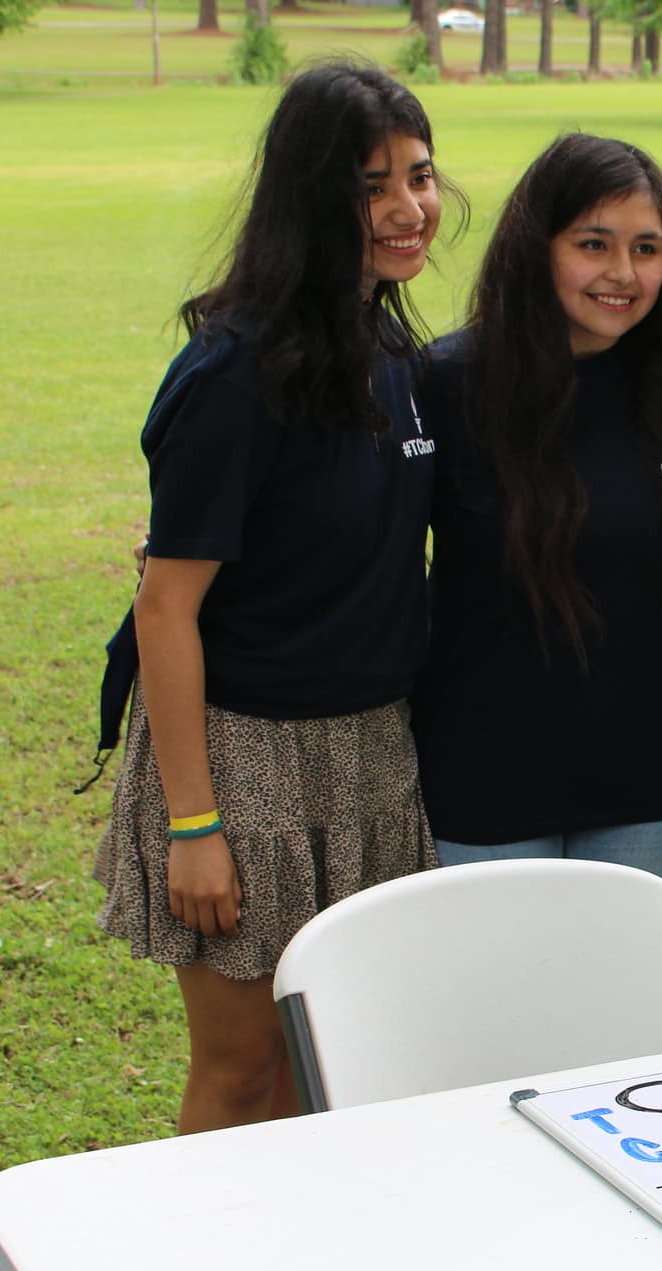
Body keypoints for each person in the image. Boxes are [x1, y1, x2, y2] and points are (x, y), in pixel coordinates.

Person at [95, 61, 461, 1132]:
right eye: (371, 186)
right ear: (311, 198)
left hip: (371, 751)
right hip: (241, 753)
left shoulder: (391, 349)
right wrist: (197, 823)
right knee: (244, 1067)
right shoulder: (234, 372)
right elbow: (165, 608)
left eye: (421, 175)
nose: (407, 209)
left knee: (333, 1054)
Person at [408, 134, 662, 888]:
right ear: (537, 247)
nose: (623, 273)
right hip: (479, 781)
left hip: (647, 786)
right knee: (493, 1005)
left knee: (616, 1004)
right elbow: (356, 531)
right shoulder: (444, 385)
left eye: (646, 248)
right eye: (595, 244)